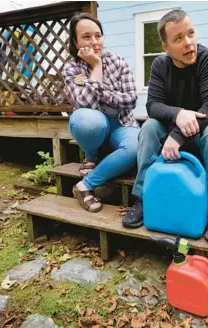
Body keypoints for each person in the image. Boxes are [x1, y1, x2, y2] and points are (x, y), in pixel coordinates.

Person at [122, 9, 208, 245]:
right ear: (165, 47)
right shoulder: (160, 66)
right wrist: (179, 114)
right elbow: (153, 105)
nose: (189, 43)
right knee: (150, 127)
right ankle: (144, 198)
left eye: (191, 34)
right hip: (178, 125)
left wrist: (176, 136)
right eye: (178, 39)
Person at [63, 13, 140, 213]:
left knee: (135, 148)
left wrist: (99, 90)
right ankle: (92, 155)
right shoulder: (71, 68)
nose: (95, 42)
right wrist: (96, 67)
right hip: (94, 128)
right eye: (87, 37)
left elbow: (131, 100)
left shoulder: (117, 61)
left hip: (121, 124)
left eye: (98, 35)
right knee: (87, 119)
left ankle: (85, 185)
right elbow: (84, 104)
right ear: (75, 41)